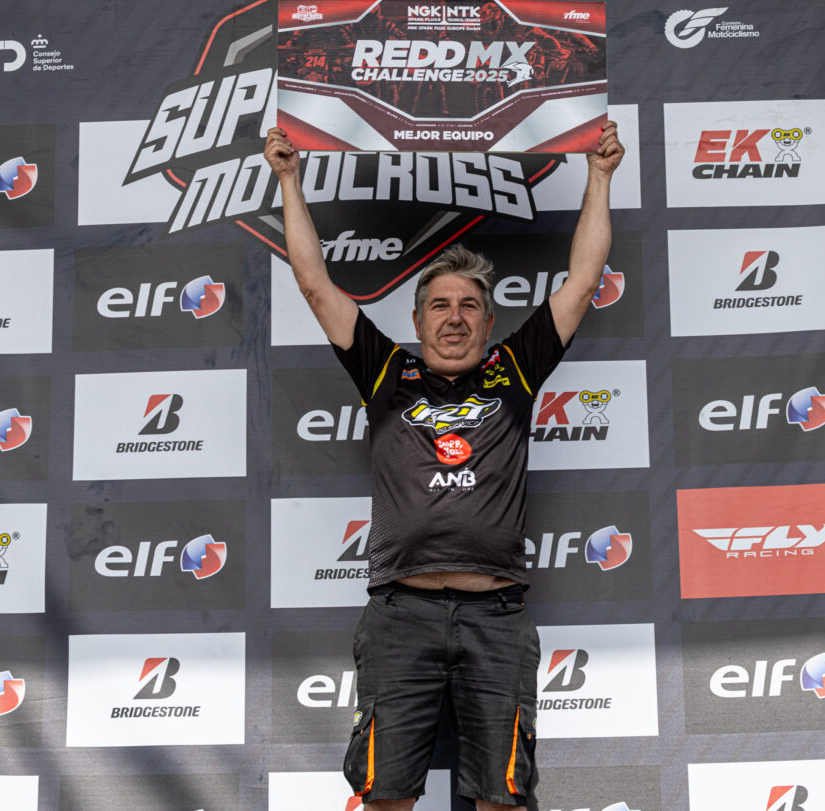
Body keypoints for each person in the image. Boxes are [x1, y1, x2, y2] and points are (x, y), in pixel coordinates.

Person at [264, 123, 624, 811]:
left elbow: (582, 283)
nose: (454, 318)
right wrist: (288, 179)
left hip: (497, 614)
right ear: (417, 319)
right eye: (439, 305)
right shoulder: (385, 371)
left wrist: (599, 177)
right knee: (385, 797)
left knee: (502, 798)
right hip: (401, 614)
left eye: (469, 306)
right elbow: (314, 283)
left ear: (489, 323)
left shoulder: (515, 369)